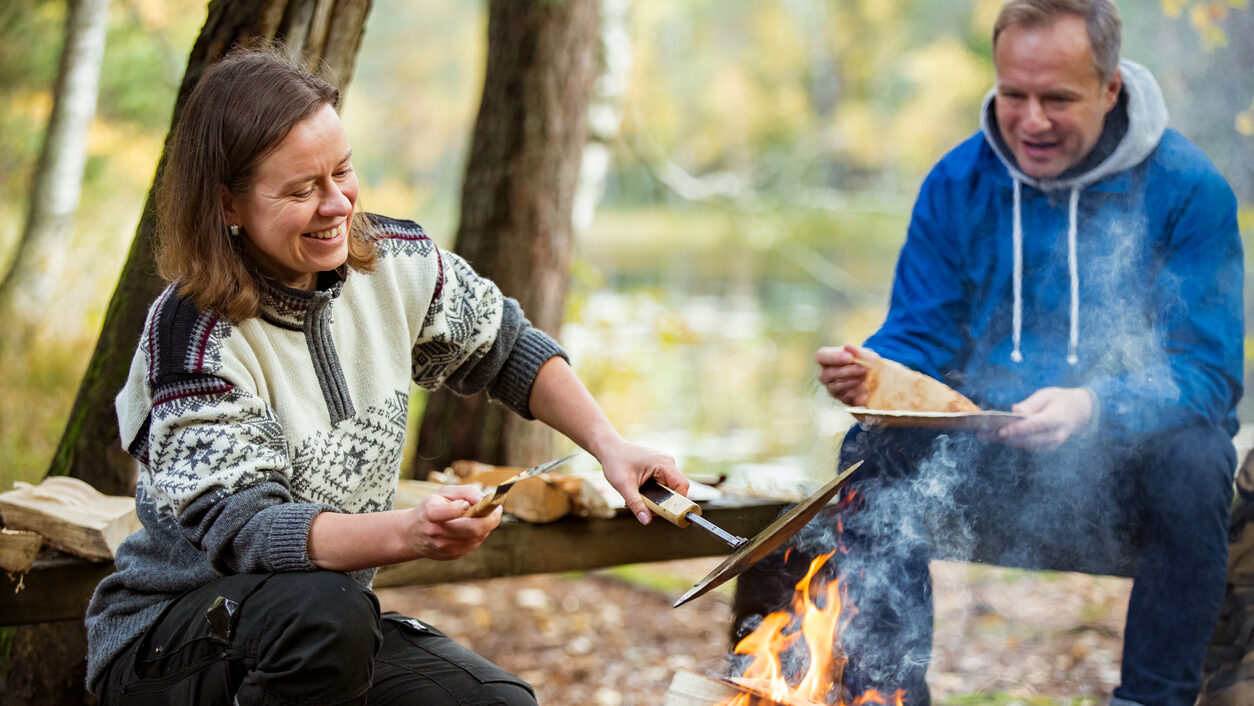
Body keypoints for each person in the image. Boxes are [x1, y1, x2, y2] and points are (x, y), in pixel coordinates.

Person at [84, 45, 690, 706]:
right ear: (228, 204)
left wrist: (610, 445)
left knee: (496, 703)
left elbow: (507, 348)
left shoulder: (397, 263)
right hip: (170, 642)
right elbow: (254, 532)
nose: (336, 203)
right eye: (299, 189)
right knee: (326, 613)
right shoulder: (191, 336)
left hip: (319, 635)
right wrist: (411, 534)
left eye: (342, 171)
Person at [734, 2, 1243, 705]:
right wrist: (872, 369)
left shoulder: (1189, 191)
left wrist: (1095, 405)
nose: (1031, 120)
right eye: (1013, 95)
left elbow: (1208, 375)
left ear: (1110, 89)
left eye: (1057, 98)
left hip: (1124, 470)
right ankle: (887, 693)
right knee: (871, 450)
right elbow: (921, 334)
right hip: (986, 461)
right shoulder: (957, 183)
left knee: (1200, 457)